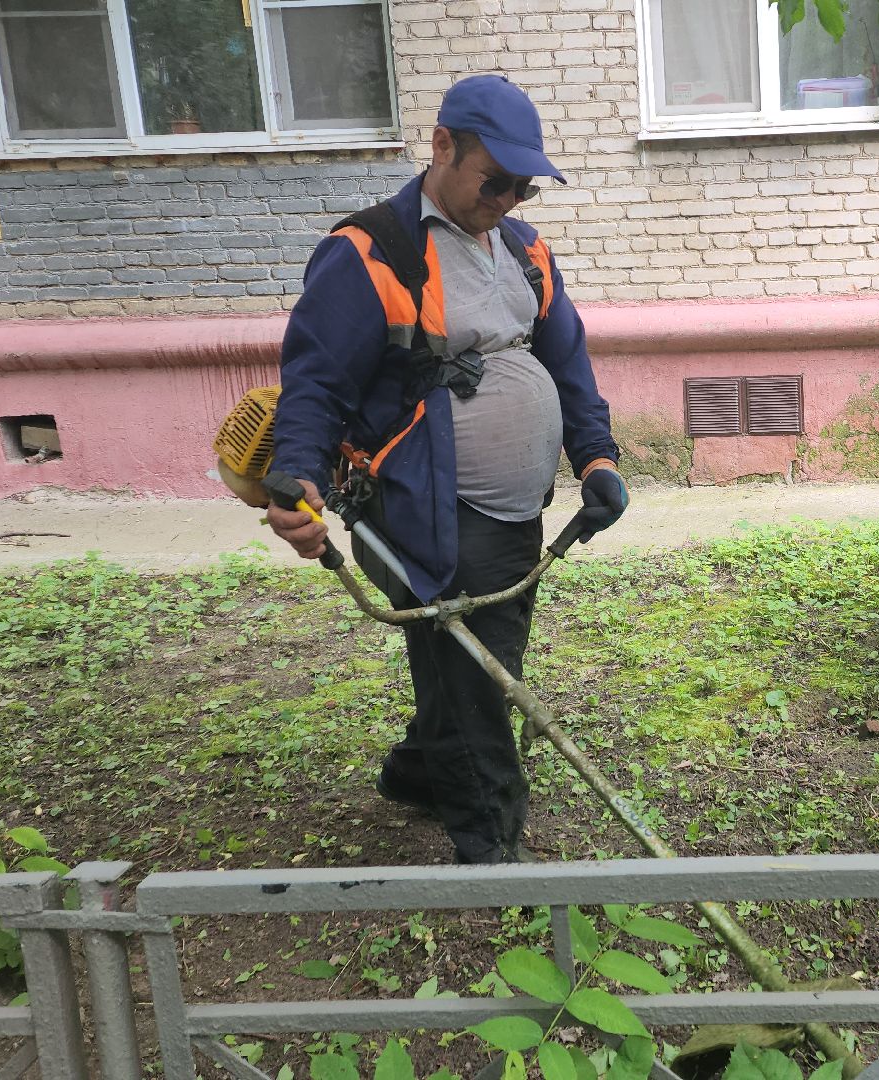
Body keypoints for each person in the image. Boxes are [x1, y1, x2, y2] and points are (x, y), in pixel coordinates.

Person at [262, 75, 628, 865]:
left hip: (513, 510)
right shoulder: (371, 253)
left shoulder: (525, 251)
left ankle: (418, 773)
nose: (509, 199)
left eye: (524, 187)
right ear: (441, 147)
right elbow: (316, 383)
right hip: (420, 505)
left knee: (468, 660)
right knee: (474, 673)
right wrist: (296, 477)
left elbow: (567, 359)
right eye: (495, 181)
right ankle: (490, 846)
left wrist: (595, 456)